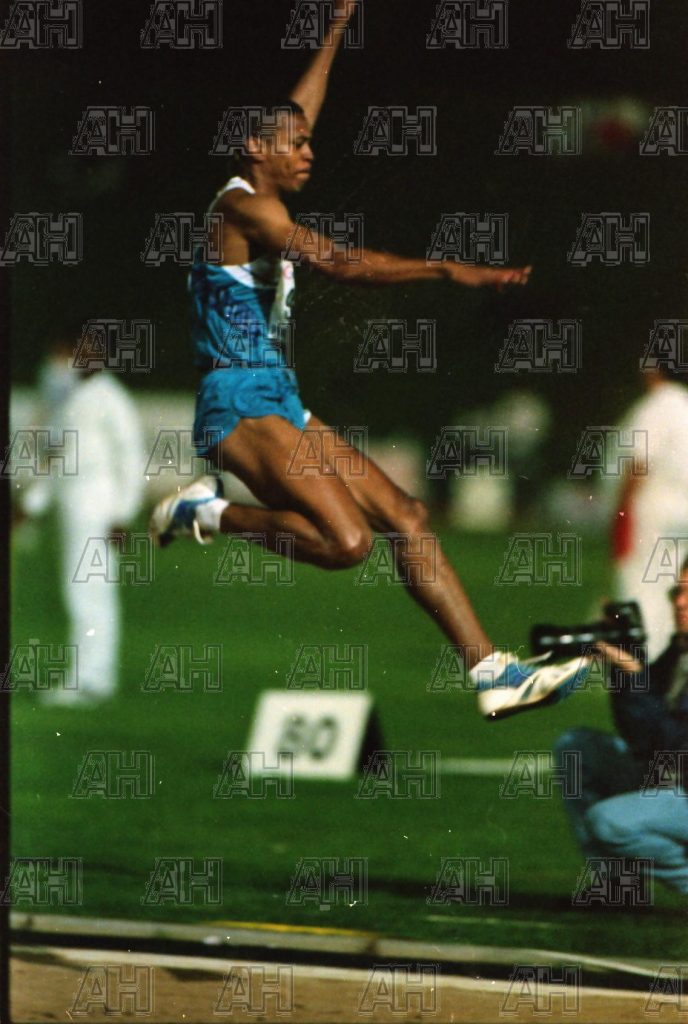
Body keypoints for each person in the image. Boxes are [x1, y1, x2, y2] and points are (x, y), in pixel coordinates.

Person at [149, 0, 591, 719]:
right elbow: (341, 263)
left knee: (407, 516)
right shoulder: (242, 210)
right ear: (255, 150)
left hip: (277, 396)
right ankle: (209, 512)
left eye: (309, 143)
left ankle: (491, 672)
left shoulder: (264, 180)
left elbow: (301, 107)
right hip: (237, 401)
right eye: (294, 146)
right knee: (348, 542)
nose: (309, 152)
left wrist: (334, 28)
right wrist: (446, 269)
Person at [18, 336, 146, 705]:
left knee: (89, 592)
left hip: (98, 505)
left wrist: (122, 514)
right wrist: (31, 503)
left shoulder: (110, 397)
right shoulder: (70, 397)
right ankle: (90, 675)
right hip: (71, 504)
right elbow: (59, 459)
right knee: (78, 590)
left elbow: (131, 456)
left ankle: (91, 679)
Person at [554, 562, 688, 894]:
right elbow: (637, 730)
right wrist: (625, 655)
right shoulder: (681, 649)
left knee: (609, 822)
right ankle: (618, 886)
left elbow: (669, 742)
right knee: (577, 747)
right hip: (675, 782)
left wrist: (631, 670)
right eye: (678, 591)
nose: (679, 602)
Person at [612, 365, 688, 661]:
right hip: (682, 514)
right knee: (674, 586)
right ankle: (672, 662)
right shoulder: (683, 404)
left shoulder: (656, 406)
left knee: (641, 588)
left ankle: (643, 662)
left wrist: (622, 512)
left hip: (656, 509)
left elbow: (640, 464)